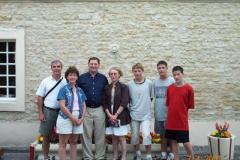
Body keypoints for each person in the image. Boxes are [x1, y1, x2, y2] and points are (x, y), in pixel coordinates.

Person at [77, 57, 108, 160]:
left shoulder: (103, 78)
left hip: (99, 109)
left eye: (95, 64)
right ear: (88, 65)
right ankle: (87, 157)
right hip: (86, 109)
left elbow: (106, 94)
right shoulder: (81, 78)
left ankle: (100, 156)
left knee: (100, 134)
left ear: (99, 65)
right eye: (91, 64)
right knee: (86, 135)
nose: (93, 66)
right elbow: (77, 93)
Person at [36, 60, 67, 160]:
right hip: (48, 111)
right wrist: (41, 113)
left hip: (62, 112)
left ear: (61, 68)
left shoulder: (65, 81)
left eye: (58, 66)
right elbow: (40, 97)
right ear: (51, 68)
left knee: (63, 136)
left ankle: (61, 157)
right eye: (54, 66)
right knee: (46, 136)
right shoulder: (45, 81)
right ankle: (46, 157)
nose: (56, 68)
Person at [56, 66, 87, 160]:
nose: (72, 77)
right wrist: (73, 118)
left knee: (74, 142)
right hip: (66, 117)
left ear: (77, 77)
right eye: (70, 75)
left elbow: (84, 104)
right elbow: (62, 105)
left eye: (74, 75)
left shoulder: (80, 90)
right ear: (67, 77)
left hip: (78, 117)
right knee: (63, 143)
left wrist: (81, 118)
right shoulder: (63, 89)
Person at [165, 66, 195, 160]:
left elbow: (190, 105)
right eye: (174, 75)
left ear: (182, 74)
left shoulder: (189, 88)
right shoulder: (169, 88)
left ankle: (192, 158)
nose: (176, 77)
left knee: (186, 142)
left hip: (182, 121)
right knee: (173, 142)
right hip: (171, 121)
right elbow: (168, 104)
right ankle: (176, 158)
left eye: (178, 74)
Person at [103, 67, 131, 160]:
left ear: (119, 75)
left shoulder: (124, 87)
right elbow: (105, 103)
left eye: (115, 74)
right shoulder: (107, 87)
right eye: (111, 74)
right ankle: (115, 156)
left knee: (121, 137)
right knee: (114, 137)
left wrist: (116, 115)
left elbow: (125, 101)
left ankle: (123, 156)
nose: (113, 75)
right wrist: (109, 115)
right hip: (110, 115)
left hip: (120, 115)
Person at [128, 63, 153, 160]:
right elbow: (129, 99)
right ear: (133, 72)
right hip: (133, 114)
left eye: (139, 71)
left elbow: (150, 97)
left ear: (142, 71)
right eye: (135, 71)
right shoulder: (129, 84)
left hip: (145, 115)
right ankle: (138, 154)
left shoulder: (149, 83)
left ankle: (149, 155)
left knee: (146, 135)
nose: (137, 73)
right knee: (134, 136)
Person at [153, 61, 175, 160]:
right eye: (159, 68)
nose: (161, 70)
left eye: (163, 67)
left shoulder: (172, 81)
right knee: (162, 136)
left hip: (170, 114)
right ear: (157, 69)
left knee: (171, 136)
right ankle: (163, 154)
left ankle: (173, 154)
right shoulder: (154, 82)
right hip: (159, 113)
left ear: (167, 69)